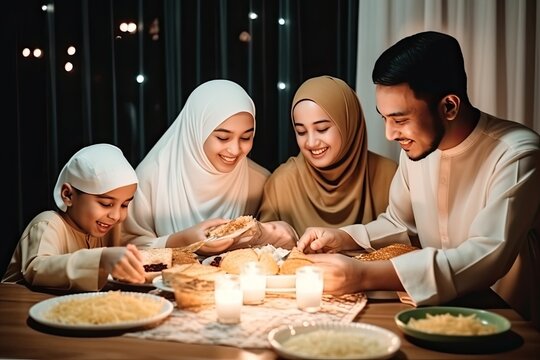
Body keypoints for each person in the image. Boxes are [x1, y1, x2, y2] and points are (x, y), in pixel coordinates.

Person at [297, 31, 540, 326]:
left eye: (399, 120)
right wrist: (343, 236)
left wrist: (362, 275)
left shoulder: (517, 151)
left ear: (449, 106)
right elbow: (400, 224)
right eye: (384, 118)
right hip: (435, 315)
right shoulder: (416, 147)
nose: (389, 134)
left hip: (508, 320)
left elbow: (487, 254)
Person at [121, 79, 297, 254]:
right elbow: (126, 248)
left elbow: (274, 252)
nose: (235, 150)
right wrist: (181, 241)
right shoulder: (151, 176)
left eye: (245, 138)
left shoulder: (258, 180)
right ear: (196, 131)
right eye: (222, 137)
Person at [257, 76, 397, 235]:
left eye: (322, 129)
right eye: (301, 132)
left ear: (348, 123)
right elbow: (263, 252)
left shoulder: (390, 176)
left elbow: (410, 249)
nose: (311, 142)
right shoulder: (281, 183)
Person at [2, 144, 146, 291]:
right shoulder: (47, 223)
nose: (116, 216)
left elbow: (139, 245)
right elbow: (37, 269)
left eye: (124, 205)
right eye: (106, 204)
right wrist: (101, 259)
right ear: (68, 195)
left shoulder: (109, 227)